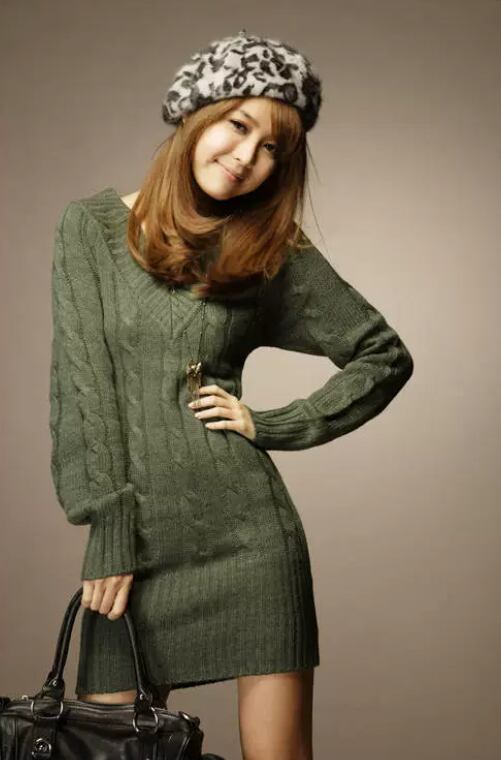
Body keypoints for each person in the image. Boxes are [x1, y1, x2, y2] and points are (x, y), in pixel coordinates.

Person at [48, 29, 414, 760]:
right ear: (195, 115)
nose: (247, 156)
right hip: (133, 548)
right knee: (106, 745)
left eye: (272, 146)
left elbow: (381, 355)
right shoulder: (89, 230)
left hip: (250, 544)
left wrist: (272, 423)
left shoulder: (268, 248)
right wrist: (110, 531)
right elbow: (82, 390)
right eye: (238, 125)